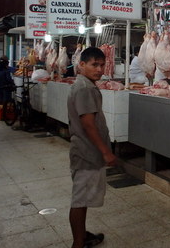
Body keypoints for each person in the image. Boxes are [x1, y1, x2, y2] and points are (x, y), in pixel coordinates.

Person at [67, 47, 117, 248]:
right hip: (87, 154)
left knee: (83, 198)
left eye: (102, 65)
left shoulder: (83, 84)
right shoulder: (85, 88)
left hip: (84, 151)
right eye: (94, 64)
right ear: (82, 65)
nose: (99, 69)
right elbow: (88, 124)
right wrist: (106, 151)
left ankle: (82, 236)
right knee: (79, 201)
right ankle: (78, 243)